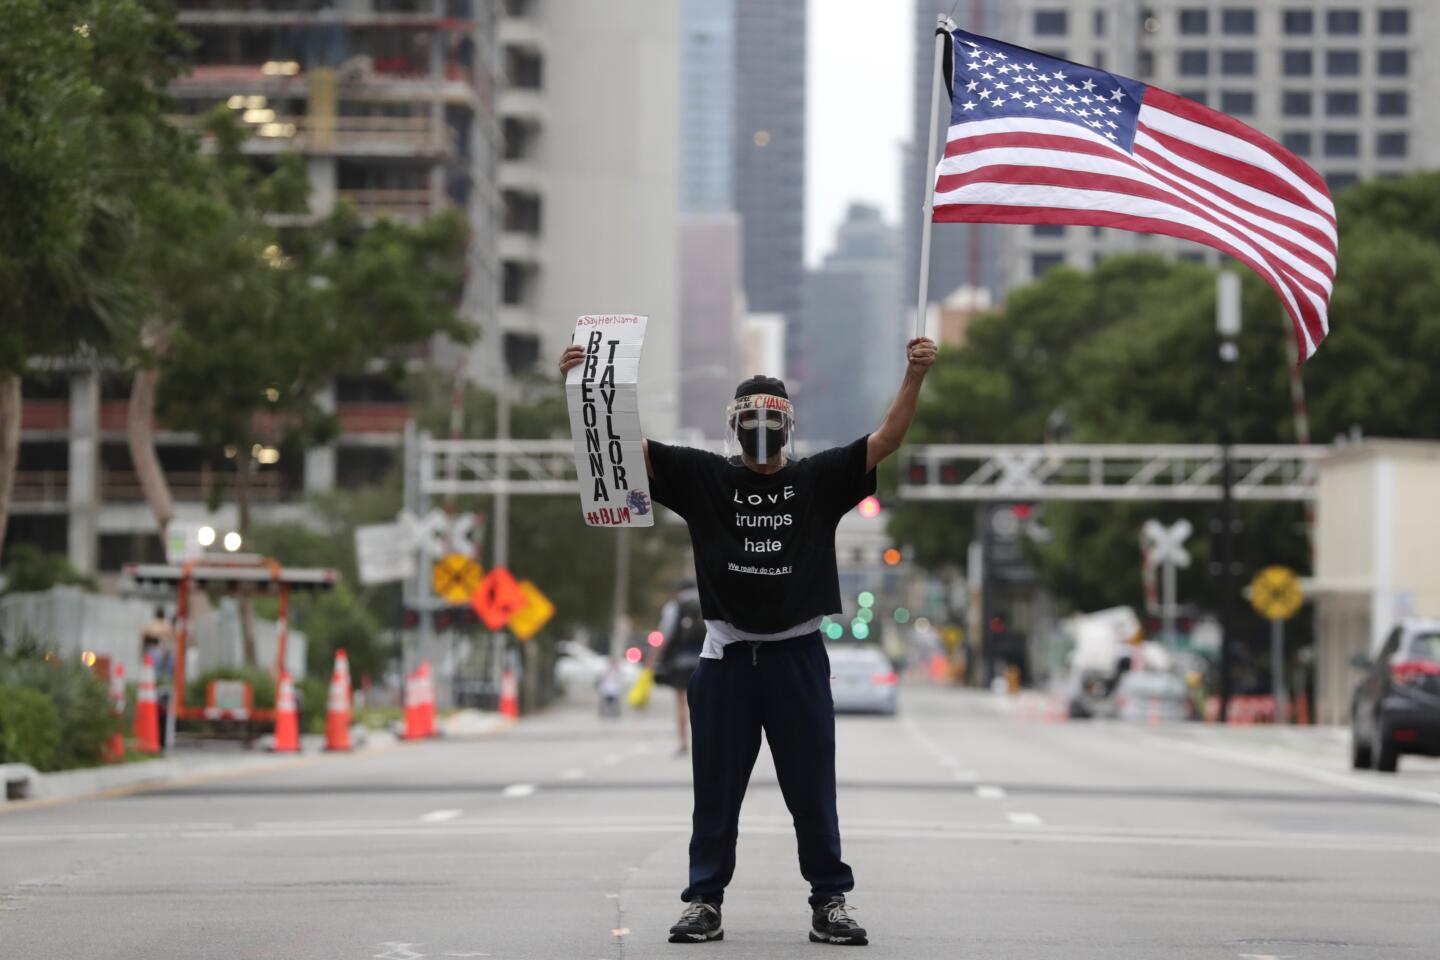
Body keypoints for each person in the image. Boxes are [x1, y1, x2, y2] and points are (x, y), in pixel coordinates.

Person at [559, 335, 938, 947]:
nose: (761, 425)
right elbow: (627, 449)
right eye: (751, 416)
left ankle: (829, 901)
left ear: (788, 425)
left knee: (812, 789)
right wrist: (584, 392)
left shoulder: (818, 480)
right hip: (727, 656)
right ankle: (703, 902)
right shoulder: (705, 476)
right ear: (733, 425)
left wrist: (914, 374)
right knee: (715, 790)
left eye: (772, 416)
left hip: (797, 657)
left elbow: (886, 440)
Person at [651, 587, 706, 757]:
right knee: (705, 704)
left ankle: (683, 743)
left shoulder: (675, 606)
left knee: (681, 703)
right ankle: (705, 742)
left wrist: (653, 659)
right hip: (705, 659)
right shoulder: (706, 601)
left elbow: (665, 635)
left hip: (680, 661)